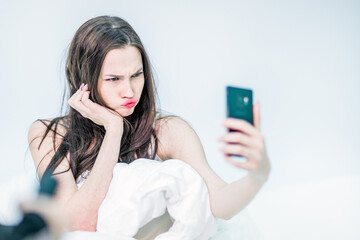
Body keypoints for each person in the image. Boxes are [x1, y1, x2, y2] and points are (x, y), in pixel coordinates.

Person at [28, 15, 270, 239]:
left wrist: (258, 175)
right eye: (114, 79)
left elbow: (218, 202)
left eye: (137, 74)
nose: (130, 91)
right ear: (84, 80)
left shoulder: (167, 131)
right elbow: (78, 225)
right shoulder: (50, 135)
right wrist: (114, 129)